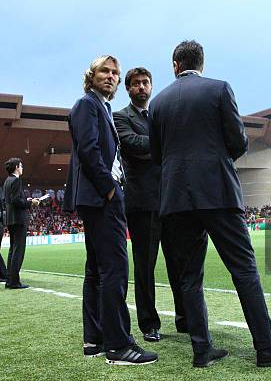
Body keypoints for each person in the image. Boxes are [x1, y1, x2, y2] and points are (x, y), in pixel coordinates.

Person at [149, 40, 271, 368]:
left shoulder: (157, 103)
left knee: (189, 277)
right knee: (244, 269)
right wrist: (215, 159)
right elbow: (237, 141)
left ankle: (201, 351)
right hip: (217, 191)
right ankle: (265, 347)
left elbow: (157, 154)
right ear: (201, 63)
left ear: (175, 65)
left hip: (175, 198)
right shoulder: (218, 90)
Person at [63, 55, 157, 365]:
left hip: (98, 198)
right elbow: (90, 151)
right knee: (116, 269)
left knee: (97, 271)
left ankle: (95, 339)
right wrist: (110, 189)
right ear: (91, 75)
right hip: (101, 198)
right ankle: (119, 346)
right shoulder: (87, 105)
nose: (111, 76)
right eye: (105, 70)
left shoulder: (100, 107)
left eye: (115, 72)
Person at [114, 67, 188, 342]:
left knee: (178, 264)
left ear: (151, 86)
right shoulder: (120, 117)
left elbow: (157, 148)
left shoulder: (159, 113)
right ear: (129, 89)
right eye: (136, 84)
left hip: (170, 200)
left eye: (146, 82)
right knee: (145, 267)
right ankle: (149, 324)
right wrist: (166, 143)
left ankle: (185, 318)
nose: (142, 87)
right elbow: (134, 145)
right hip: (142, 204)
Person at [3, 158, 39, 289]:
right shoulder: (16, 181)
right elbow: (16, 201)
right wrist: (31, 203)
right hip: (18, 218)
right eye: (21, 166)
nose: (23, 168)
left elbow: (12, 199)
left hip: (11, 218)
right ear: (17, 167)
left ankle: (10, 279)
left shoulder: (7, 181)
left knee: (13, 249)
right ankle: (14, 281)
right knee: (18, 250)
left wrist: (26, 199)